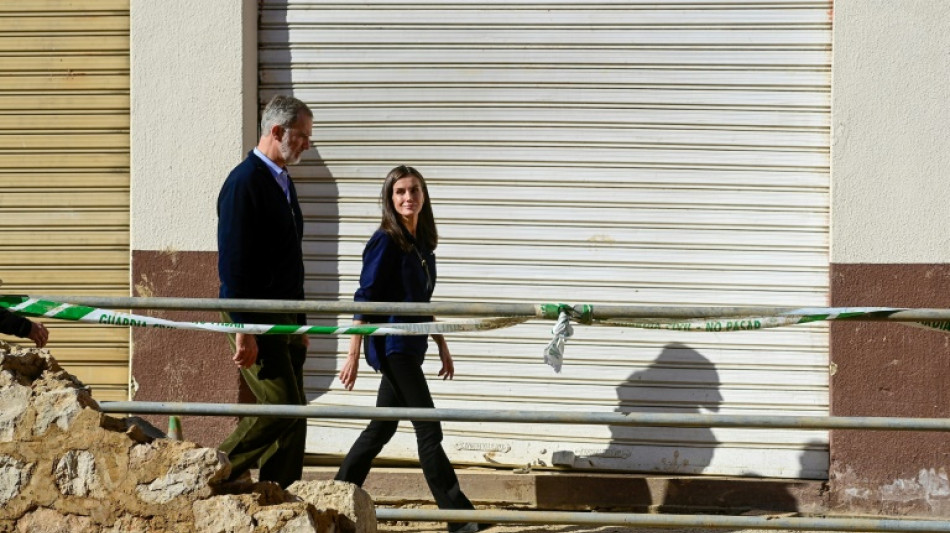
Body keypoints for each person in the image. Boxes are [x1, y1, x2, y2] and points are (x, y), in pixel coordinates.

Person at [335, 165, 488, 533]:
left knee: (380, 429)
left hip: (412, 345)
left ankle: (336, 493)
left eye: (414, 190)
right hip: (392, 347)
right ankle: (459, 516)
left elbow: (421, 302)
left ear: (424, 196)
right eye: (400, 191)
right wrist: (353, 352)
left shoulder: (422, 243)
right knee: (428, 429)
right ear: (390, 198)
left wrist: (442, 344)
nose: (408, 197)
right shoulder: (385, 240)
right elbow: (365, 298)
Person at [216, 94, 312, 488]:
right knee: (281, 407)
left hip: (285, 314)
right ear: (277, 131)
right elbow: (234, 260)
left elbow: (290, 258)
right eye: (303, 135)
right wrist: (243, 324)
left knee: (294, 418)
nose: (307, 143)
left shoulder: (282, 180)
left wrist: (301, 323)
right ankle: (212, 471)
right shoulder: (244, 183)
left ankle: (280, 498)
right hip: (255, 313)